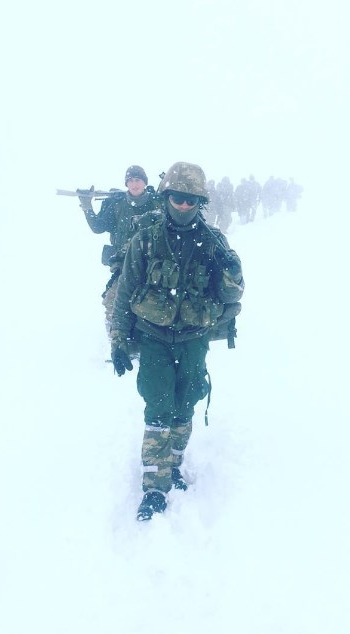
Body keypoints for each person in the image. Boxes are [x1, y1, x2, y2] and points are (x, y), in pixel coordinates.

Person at [109, 161, 245, 521]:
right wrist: (119, 338)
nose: (182, 206)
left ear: (199, 202)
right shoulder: (147, 237)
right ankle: (154, 486)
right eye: (177, 198)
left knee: (185, 405)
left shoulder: (214, 243)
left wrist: (224, 293)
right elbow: (125, 290)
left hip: (193, 340)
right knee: (158, 406)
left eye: (190, 200)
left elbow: (233, 301)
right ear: (167, 196)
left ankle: (172, 464)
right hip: (153, 338)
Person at [77, 166, 164, 337]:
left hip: (152, 262)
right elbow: (98, 227)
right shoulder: (117, 205)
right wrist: (87, 207)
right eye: (130, 180)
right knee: (114, 300)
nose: (134, 184)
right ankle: (117, 337)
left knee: (151, 300)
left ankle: (147, 337)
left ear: (144, 182)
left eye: (138, 180)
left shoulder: (156, 203)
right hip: (124, 263)